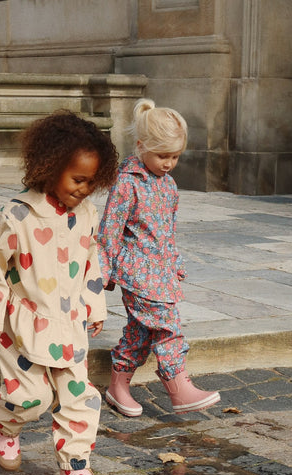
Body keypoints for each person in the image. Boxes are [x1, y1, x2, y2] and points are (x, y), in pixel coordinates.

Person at [0, 111, 118, 475]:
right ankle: (7, 424)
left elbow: (91, 263)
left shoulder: (86, 214)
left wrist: (95, 306)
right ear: (50, 167)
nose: (85, 189)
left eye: (92, 182)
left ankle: (76, 467)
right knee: (29, 397)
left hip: (69, 323)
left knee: (81, 397)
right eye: (77, 179)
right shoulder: (18, 214)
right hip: (22, 325)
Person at [98, 98, 220, 417]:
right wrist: (103, 271)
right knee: (167, 326)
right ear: (141, 147)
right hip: (136, 272)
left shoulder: (169, 186)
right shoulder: (127, 184)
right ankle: (179, 388)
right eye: (162, 155)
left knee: (140, 334)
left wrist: (175, 262)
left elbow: (167, 231)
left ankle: (117, 386)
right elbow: (109, 229)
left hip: (161, 272)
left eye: (175, 156)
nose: (168, 163)